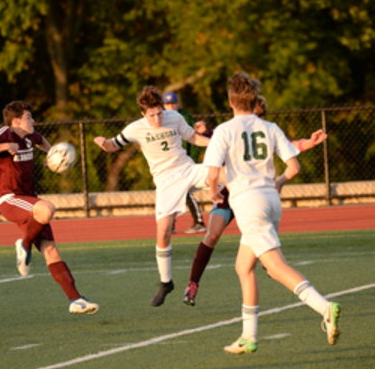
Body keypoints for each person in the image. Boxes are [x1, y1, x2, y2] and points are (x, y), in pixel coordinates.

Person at [204, 73, 341, 353]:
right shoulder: (270, 127)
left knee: (275, 267)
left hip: (248, 203)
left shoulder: (224, 130)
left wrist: (213, 192)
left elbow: (212, 173)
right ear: (254, 100)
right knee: (244, 267)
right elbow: (294, 167)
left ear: (230, 101)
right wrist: (277, 182)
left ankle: (324, 307)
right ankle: (249, 336)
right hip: (270, 199)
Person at [183, 95, 328, 306]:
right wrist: (201, 132)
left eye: (261, 116)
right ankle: (193, 283)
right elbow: (210, 141)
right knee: (213, 235)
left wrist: (309, 142)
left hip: (252, 197)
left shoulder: (263, 131)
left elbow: (290, 145)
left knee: (258, 265)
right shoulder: (231, 130)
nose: (257, 119)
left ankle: (305, 295)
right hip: (231, 196)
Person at [94, 85, 227, 306]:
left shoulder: (174, 117)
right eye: (152, 115)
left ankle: (253, 227)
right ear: (143, 114)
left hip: (187, 169)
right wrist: (103, 143)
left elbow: (193, 138)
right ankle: (166, 283)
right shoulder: (134, 128)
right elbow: (112, 146)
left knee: (227, 174)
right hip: (166, 181)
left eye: (159, 113)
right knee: (163, 232)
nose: (157, 118)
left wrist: (217, 143)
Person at [0, 100, 99, 315]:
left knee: (50, 249)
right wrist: (4, 147)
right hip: (9, 198)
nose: (33, 120)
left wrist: (52, 157)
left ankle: (76, 300)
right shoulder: (5, 134)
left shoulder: (31, 136)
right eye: (29, 117)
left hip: (28, 199)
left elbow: (43, 143)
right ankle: (24, 243)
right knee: (47, 209)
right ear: (16, 121)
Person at [163, 90, 207, 233]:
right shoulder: (162, 118)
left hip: (186, 160)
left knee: (184, 191)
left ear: (177, 104)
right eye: (168, 104)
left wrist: (192, 158)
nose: (171, 106)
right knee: (174, 192)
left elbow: (194, 137)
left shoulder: (185, 117)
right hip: (172, 162)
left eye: (173, 103)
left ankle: (199, 222)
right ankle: (172, 224)